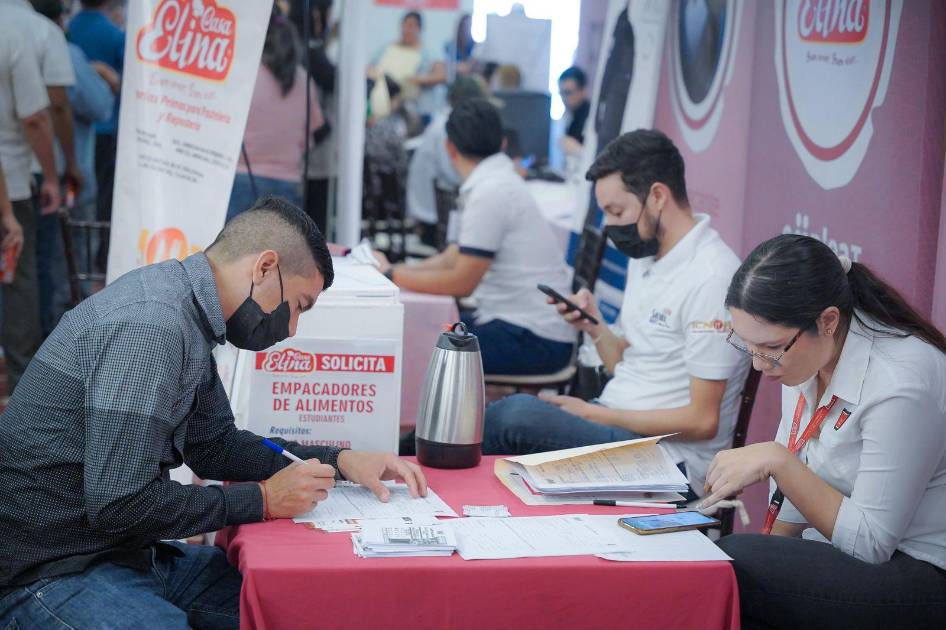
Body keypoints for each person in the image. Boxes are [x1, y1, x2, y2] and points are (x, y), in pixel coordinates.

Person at [0, 197, 427, 628]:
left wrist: (339, 461)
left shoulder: (186, 314)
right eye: (298, 305)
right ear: (264, 268)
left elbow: (215, 446)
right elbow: (119, 504)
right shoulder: (151, 326)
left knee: (300, 605)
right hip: (50, 570)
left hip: (122, 554)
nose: (291, 328)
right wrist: (262, 499)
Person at [481, 130, 750, 497]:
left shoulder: (712, 277)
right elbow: (626, 363)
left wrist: (596, 414)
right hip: (617, 426)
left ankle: (411, 465)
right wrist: (593, 326)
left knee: (515, 417)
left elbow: (703, 421)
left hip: (671, 461)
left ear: (657, 196)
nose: (610, 226)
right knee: (508, 424)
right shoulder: (647, 254)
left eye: (617, 212)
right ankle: (415, 468)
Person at [699, 235, 946, 629]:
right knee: (733, 570)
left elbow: (872, 543)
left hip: (921, 570)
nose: (759, 364)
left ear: (828, 321)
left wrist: (779, 462)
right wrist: (770, 556)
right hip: (843, 554)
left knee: (735, 564)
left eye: (770, 347)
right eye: (747, 345)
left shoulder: (900, 384)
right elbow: (797, 496)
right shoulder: (805, 357)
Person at [375, 98, 574, 376]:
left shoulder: (491, 191)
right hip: (518, 324)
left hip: (534, 338)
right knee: (421, 328)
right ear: (503, 143)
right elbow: (452, 257)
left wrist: (392, 275)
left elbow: (462, 283)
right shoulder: (494, 182)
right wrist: (393, 271)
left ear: (449, 147)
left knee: (417, 345)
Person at [32, 0, 113, 329]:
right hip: (66, 179)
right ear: (60, 19)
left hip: (23, 178)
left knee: (31, 267)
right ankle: (61, 340)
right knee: (68, 268)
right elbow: (99, 106)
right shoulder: (64, 52)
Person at [0, 0, 62, 396]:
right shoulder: (15, 33)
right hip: (14, 180)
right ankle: (22, 391)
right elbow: (37, 116)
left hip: (9, 182)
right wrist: (52, 174)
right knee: (17, 286)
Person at [227, 10, 323, 222]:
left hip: (240, 179)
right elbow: (310, 139)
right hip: (288, 184)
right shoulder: (304, 80)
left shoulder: (245, 74)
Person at [68, 0, 124, 271]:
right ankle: (101, 259)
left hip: (73, 131)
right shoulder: (115, 35)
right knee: (104, 202)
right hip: (108, 129)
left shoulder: (69, 30)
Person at [405, 75, 487, 244]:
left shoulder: (444, 122)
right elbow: (452, 174)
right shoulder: (446, 128)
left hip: (432, 213)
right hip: (433, 221)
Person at [368, 11, 445, 122]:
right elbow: (370, 67)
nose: (406, 30)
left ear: (419, 29)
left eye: (410, 26)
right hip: (382, 101)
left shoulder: (428, 52)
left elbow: (441, 76)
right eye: (404, 26)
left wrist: (417, 79)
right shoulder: (388, 47)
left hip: (412, 109)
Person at [558, 65, 590, 156]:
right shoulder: (568, 116)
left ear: (582, 91)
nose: (564, 98)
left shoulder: (592, 117)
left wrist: (579, 151)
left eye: (568, 92)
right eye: (561, 93)